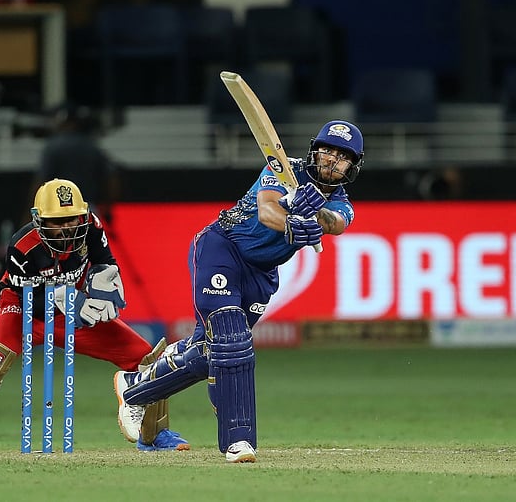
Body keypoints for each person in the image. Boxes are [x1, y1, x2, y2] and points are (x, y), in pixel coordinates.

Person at [112, 120, 363, 463]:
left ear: (353, 166)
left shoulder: (341, 202)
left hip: (260, 274)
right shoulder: (282, 168)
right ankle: (239, 441)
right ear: (315, 150)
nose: (333, 160)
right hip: (222, 248)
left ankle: (135, 387)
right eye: (328, 151)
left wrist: (314, 216)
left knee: (209, 352)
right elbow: (268, 209)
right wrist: (291, 217)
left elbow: (336, 224)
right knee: (231, 338)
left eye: (343, 157)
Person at [0, 178, 188, 453]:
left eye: (71, 219)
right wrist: (72, 301)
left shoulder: (90, 226)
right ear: (39, 219)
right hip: (23, 308)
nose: (67, 228)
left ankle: (155, 434)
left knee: (144, 357)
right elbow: (32, 302)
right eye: (57, 221)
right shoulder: (22, 246)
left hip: (71, 312)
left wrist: (103, 287)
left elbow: (104, 263)